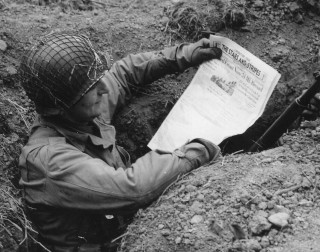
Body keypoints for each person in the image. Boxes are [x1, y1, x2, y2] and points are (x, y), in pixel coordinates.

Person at [17, 33, 222, 252]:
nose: (103, 89)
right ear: (59, 106)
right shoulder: (49, 161)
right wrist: (196, 152)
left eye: (98, 79)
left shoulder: (80, 113)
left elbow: (123, 74)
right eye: (91, 88)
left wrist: (184, 54)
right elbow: (132, 188)